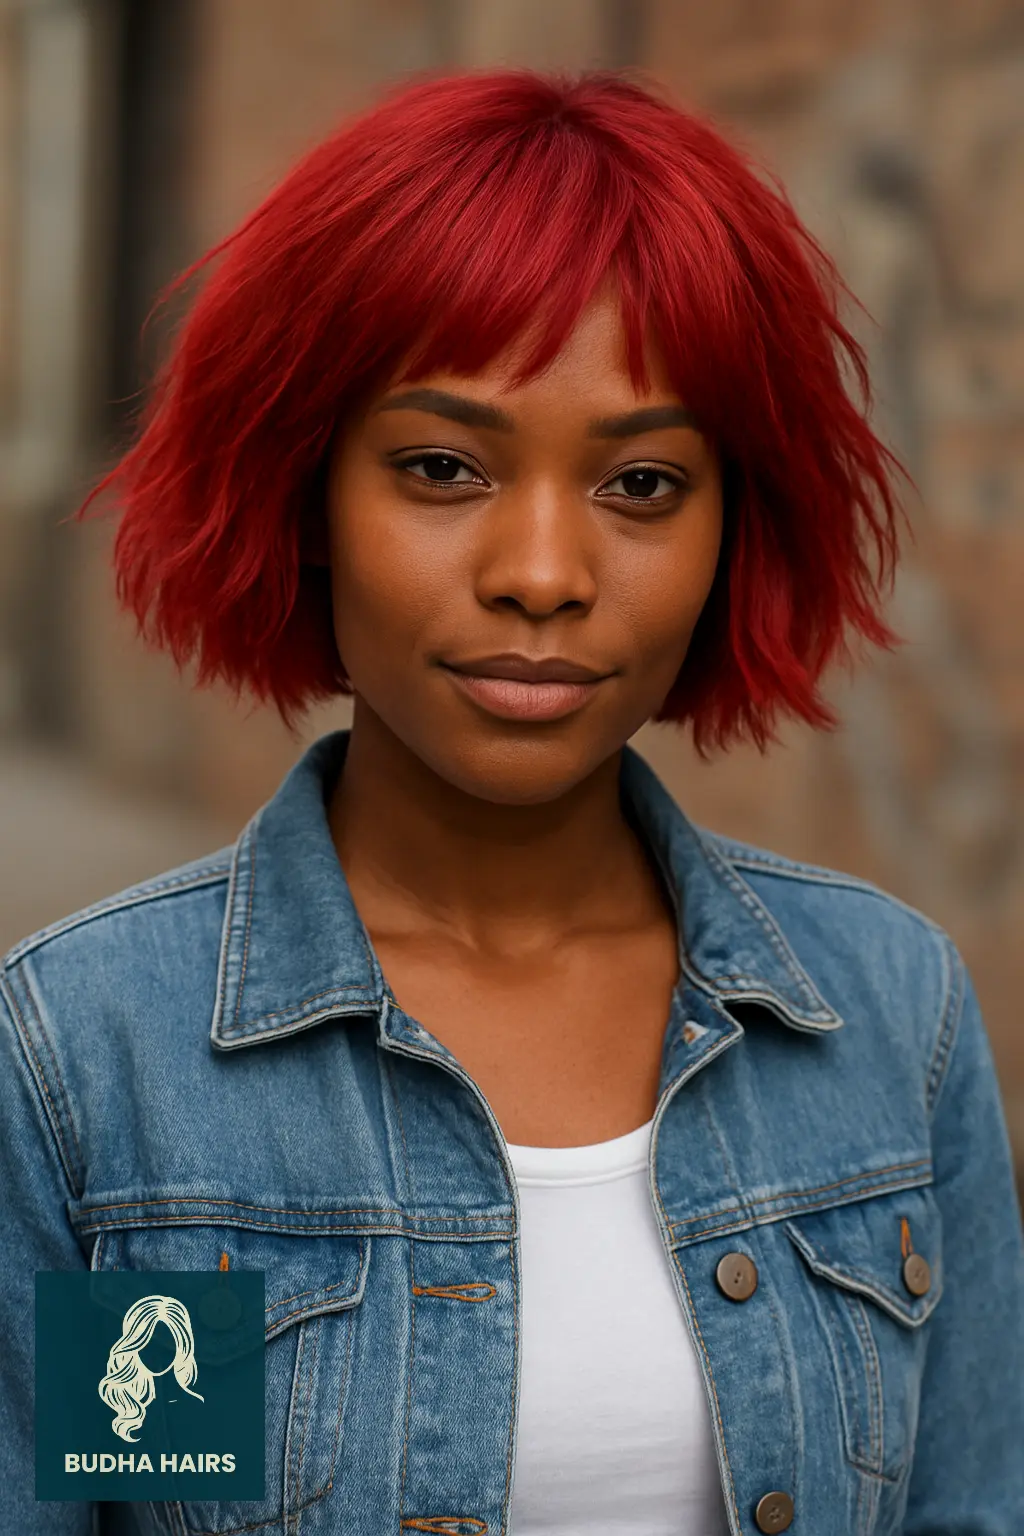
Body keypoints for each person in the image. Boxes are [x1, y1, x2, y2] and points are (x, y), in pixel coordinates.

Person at [1, 65, 1021, 1536]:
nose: (542, 570)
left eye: (644, 485)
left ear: (739, 526)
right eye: (441, 467)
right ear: (304, 498)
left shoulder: (885, 1013)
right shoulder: (103, 1059)